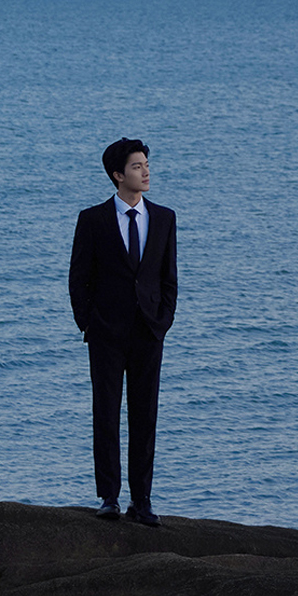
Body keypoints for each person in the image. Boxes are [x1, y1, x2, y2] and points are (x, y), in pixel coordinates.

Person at [67, 137, 176, 526]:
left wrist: (162, 321)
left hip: (149, 331)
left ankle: (142, 500)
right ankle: (109, 497)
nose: (145, 172)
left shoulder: (164, 218)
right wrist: (89, 322)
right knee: (107, 414)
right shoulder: (92, 219)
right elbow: (78, 278)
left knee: (145, 415)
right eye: (136, 167)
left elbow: (168, 279)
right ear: (117, 175)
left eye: (146, 164)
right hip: (106, 333)